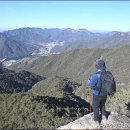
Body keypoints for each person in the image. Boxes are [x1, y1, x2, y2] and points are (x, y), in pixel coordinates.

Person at [87, 59, 108, 127]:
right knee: (103, 105)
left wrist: (89, 81)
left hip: (97, 94)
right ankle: (104, 117)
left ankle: (96, 121)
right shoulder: (107, 73)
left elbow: (90, 85)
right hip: (105, 93)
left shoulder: (96, 75)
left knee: (96, 106)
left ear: (98, 67)